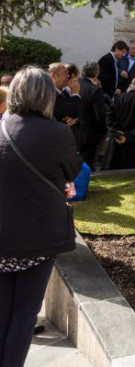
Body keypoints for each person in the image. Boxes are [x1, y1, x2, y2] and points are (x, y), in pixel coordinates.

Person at [0, 66, 83, 367]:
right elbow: (72, 170)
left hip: (3, 238)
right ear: (47, 96)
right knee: (24, 315)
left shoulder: (1, 125)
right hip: (38, 239)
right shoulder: (58, 133)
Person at [105, 75, 135, 170]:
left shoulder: (120, 98)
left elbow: (109, 116)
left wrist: (116, 132)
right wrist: (126, 135)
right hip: (134, 143)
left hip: (117, 141)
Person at [78, 61, 107, 169]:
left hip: (76, 129)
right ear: (96, 73)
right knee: (87, 161)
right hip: (90, 132)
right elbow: (100, 115)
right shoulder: (95, 90)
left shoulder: (77, 85)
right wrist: (103, 130)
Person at [48, 63, 81, 137]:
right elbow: (70, 111)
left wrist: (75, 119)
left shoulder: (63, 92)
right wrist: (75, 93)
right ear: (54, 76)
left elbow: (72, 112)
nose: (68, 76)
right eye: (65, 73)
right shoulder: (50, 94)